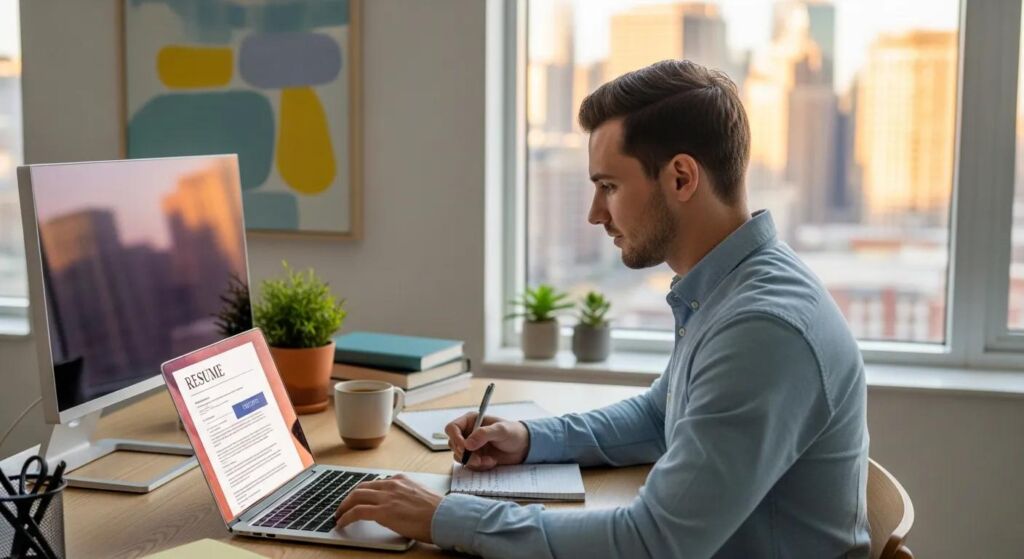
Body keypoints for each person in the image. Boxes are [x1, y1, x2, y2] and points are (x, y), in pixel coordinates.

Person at [335, 59, 870, 558]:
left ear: (681, 178)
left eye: (609, 187)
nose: (595, 214)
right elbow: (663, 417)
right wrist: (530, 439)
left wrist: (447, 517)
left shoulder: (762, 329)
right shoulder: (731, 286)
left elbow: (652, 542)